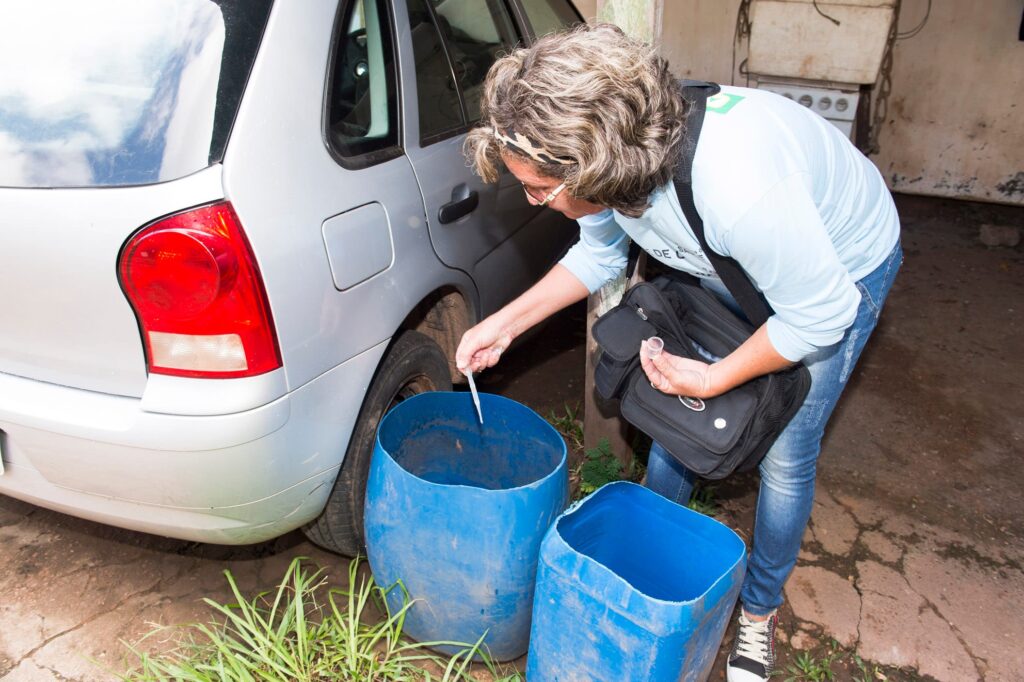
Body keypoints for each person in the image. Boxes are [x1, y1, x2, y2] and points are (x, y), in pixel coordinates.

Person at [454, 23, 901, 682]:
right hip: (730, 257)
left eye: (538, 190)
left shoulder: (738, 187)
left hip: (838, 271)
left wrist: (719, 374)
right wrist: (506, 324)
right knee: (677, 415)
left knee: (784, 454)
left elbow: (821, 315)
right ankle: (641, 561)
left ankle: (758, 610)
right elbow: (600, 251)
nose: (532, 202)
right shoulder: (616, 164)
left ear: (594, 166)